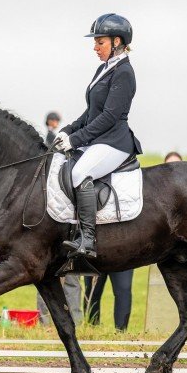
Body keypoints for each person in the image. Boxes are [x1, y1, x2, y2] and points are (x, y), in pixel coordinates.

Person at [54, 13, 142, 259]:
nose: (95, 48)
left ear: (117, 42)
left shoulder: (124, 72)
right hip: (100, 138)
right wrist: (68, 129)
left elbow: (109, 117)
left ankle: (88, 240)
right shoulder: (103, 69)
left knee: (80, 173)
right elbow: (91, 111)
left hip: (115, 141)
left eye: (100, 42)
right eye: (95, 43)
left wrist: (76, 139)